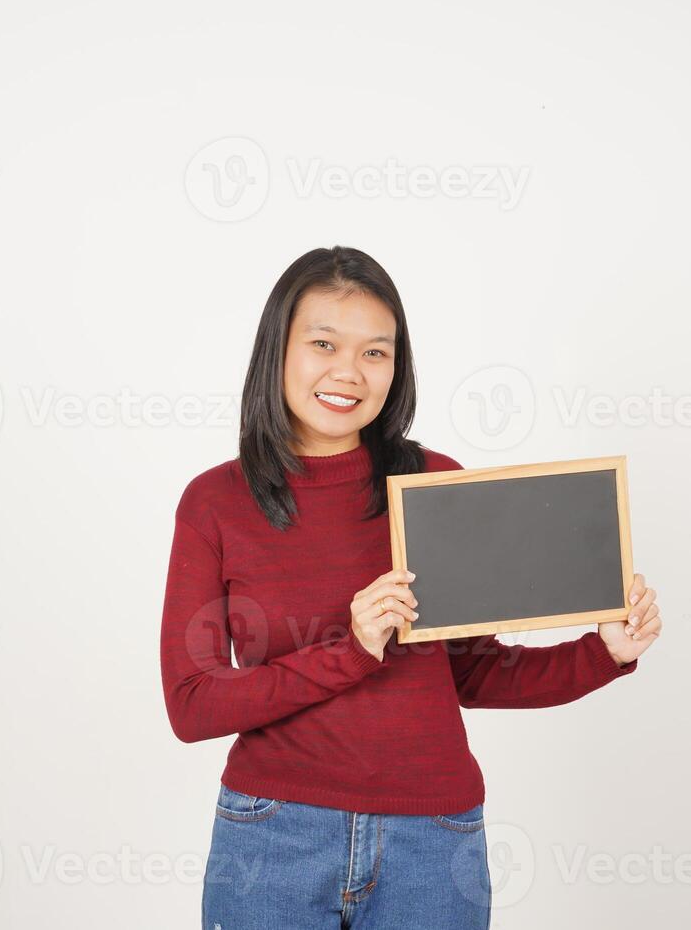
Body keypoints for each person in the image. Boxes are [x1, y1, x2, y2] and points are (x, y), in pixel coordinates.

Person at [159, 245, 663, 929]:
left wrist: (606, 653)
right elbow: (193, 705)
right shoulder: (216, 502)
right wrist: (351, 648)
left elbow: (475, 673)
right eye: (324, 344)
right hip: (273, 839)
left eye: (375, 352)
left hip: (432, 841)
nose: (349, 372)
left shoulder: (432, 485)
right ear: (278, 350)